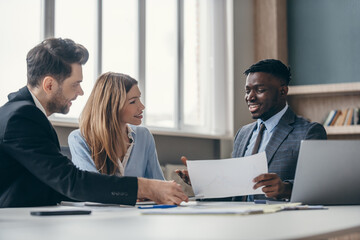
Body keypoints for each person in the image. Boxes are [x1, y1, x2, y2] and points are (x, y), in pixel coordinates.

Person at [0, 38, 188, 208]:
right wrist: (145, 187)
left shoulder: (23, 113)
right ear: (49, 85)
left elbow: (54, 184)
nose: (81, 92)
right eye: (75, 84)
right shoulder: (22, 117)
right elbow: (71, 182)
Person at [177, 59, 327, 201]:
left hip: (282, 221)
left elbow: (319, 186)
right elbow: (234, 192)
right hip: (240, 220)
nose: (250, 97)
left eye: (260, 90)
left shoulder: (309, 132)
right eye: (247, 91)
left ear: (282, 92)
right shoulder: (243, 134)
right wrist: (203, 184)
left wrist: (285, 189)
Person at [68, 72, 164, 180]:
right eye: (133, 102)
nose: (142, 107)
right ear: (112, 105)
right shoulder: (79, 139)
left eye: (139, 99)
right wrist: (139, 190)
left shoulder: (144, 136)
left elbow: (160, 184)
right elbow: (91, 185)